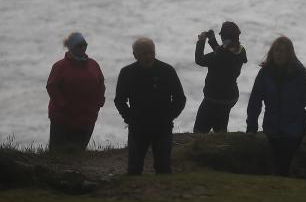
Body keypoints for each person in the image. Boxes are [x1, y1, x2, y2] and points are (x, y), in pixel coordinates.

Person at [247, 36, 306, 176]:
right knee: (276, 167)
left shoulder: (299, 73)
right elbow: (255, 101)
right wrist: (251, 126)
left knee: (286, 167)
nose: (278, 54)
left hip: (295, 131)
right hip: (271, 129)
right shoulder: (265, 73)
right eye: (276, 50)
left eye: (282, 51)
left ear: (289, 53)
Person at [114, 38, 186, 175]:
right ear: (135, 55)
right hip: (138, 127)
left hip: (162, 126)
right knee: (134, 169)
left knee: (163, 168)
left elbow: (180, 98)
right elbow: (119, 100)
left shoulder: (167, 70)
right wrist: (130, 118)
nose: (148, 57)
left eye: (151, 53)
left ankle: (164, 188)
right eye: (144, 53)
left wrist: (169, 117)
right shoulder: (127, 72)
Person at [46, 32, 106, 152]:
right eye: (79, 45)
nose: (83, 48)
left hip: (87, 117)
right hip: (63, 119)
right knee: (58, 153)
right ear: (71, 47)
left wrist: (99, 102)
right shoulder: (60, 66)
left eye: (85, 45)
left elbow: (101, 84)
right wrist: (63, 105)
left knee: (79, 151)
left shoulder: (93, 64)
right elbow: (52, 87)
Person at [193, 21, 248, 133]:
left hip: (213, 99)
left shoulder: (218, 57)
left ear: (224, 38)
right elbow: (224, 52)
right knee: (220, 129)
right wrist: (212, 40)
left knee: (199, 131)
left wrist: (201, 41)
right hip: (230, 98)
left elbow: (199, 60)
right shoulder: (241, 51)